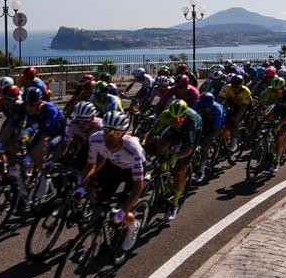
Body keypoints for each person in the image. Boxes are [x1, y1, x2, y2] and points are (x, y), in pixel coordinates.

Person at [76, 111, 145, 251]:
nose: (110, 137)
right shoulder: (96, 139)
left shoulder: (133, 149)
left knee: (122, 210)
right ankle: (93, 245)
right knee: (99, 206)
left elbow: (139, 186)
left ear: (123, 134)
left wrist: (123, 211)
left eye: (116, 133)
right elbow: (93, 164)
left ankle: (133, 226)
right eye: (107, 131)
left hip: (132, 172)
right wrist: (81, 186)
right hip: (114, 166)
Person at [150, 99, 202, 221]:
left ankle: (174, 204)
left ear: (184, 116)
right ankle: (164, 172)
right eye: (172, 118)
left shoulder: (191, 122)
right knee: (161, 145)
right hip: (175, 131)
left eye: (178, 119)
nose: (174, 121)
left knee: (180, 170)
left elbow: (188, 149)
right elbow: (154, 131)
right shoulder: (166, 116)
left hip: (192, 132)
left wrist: (176, 156)